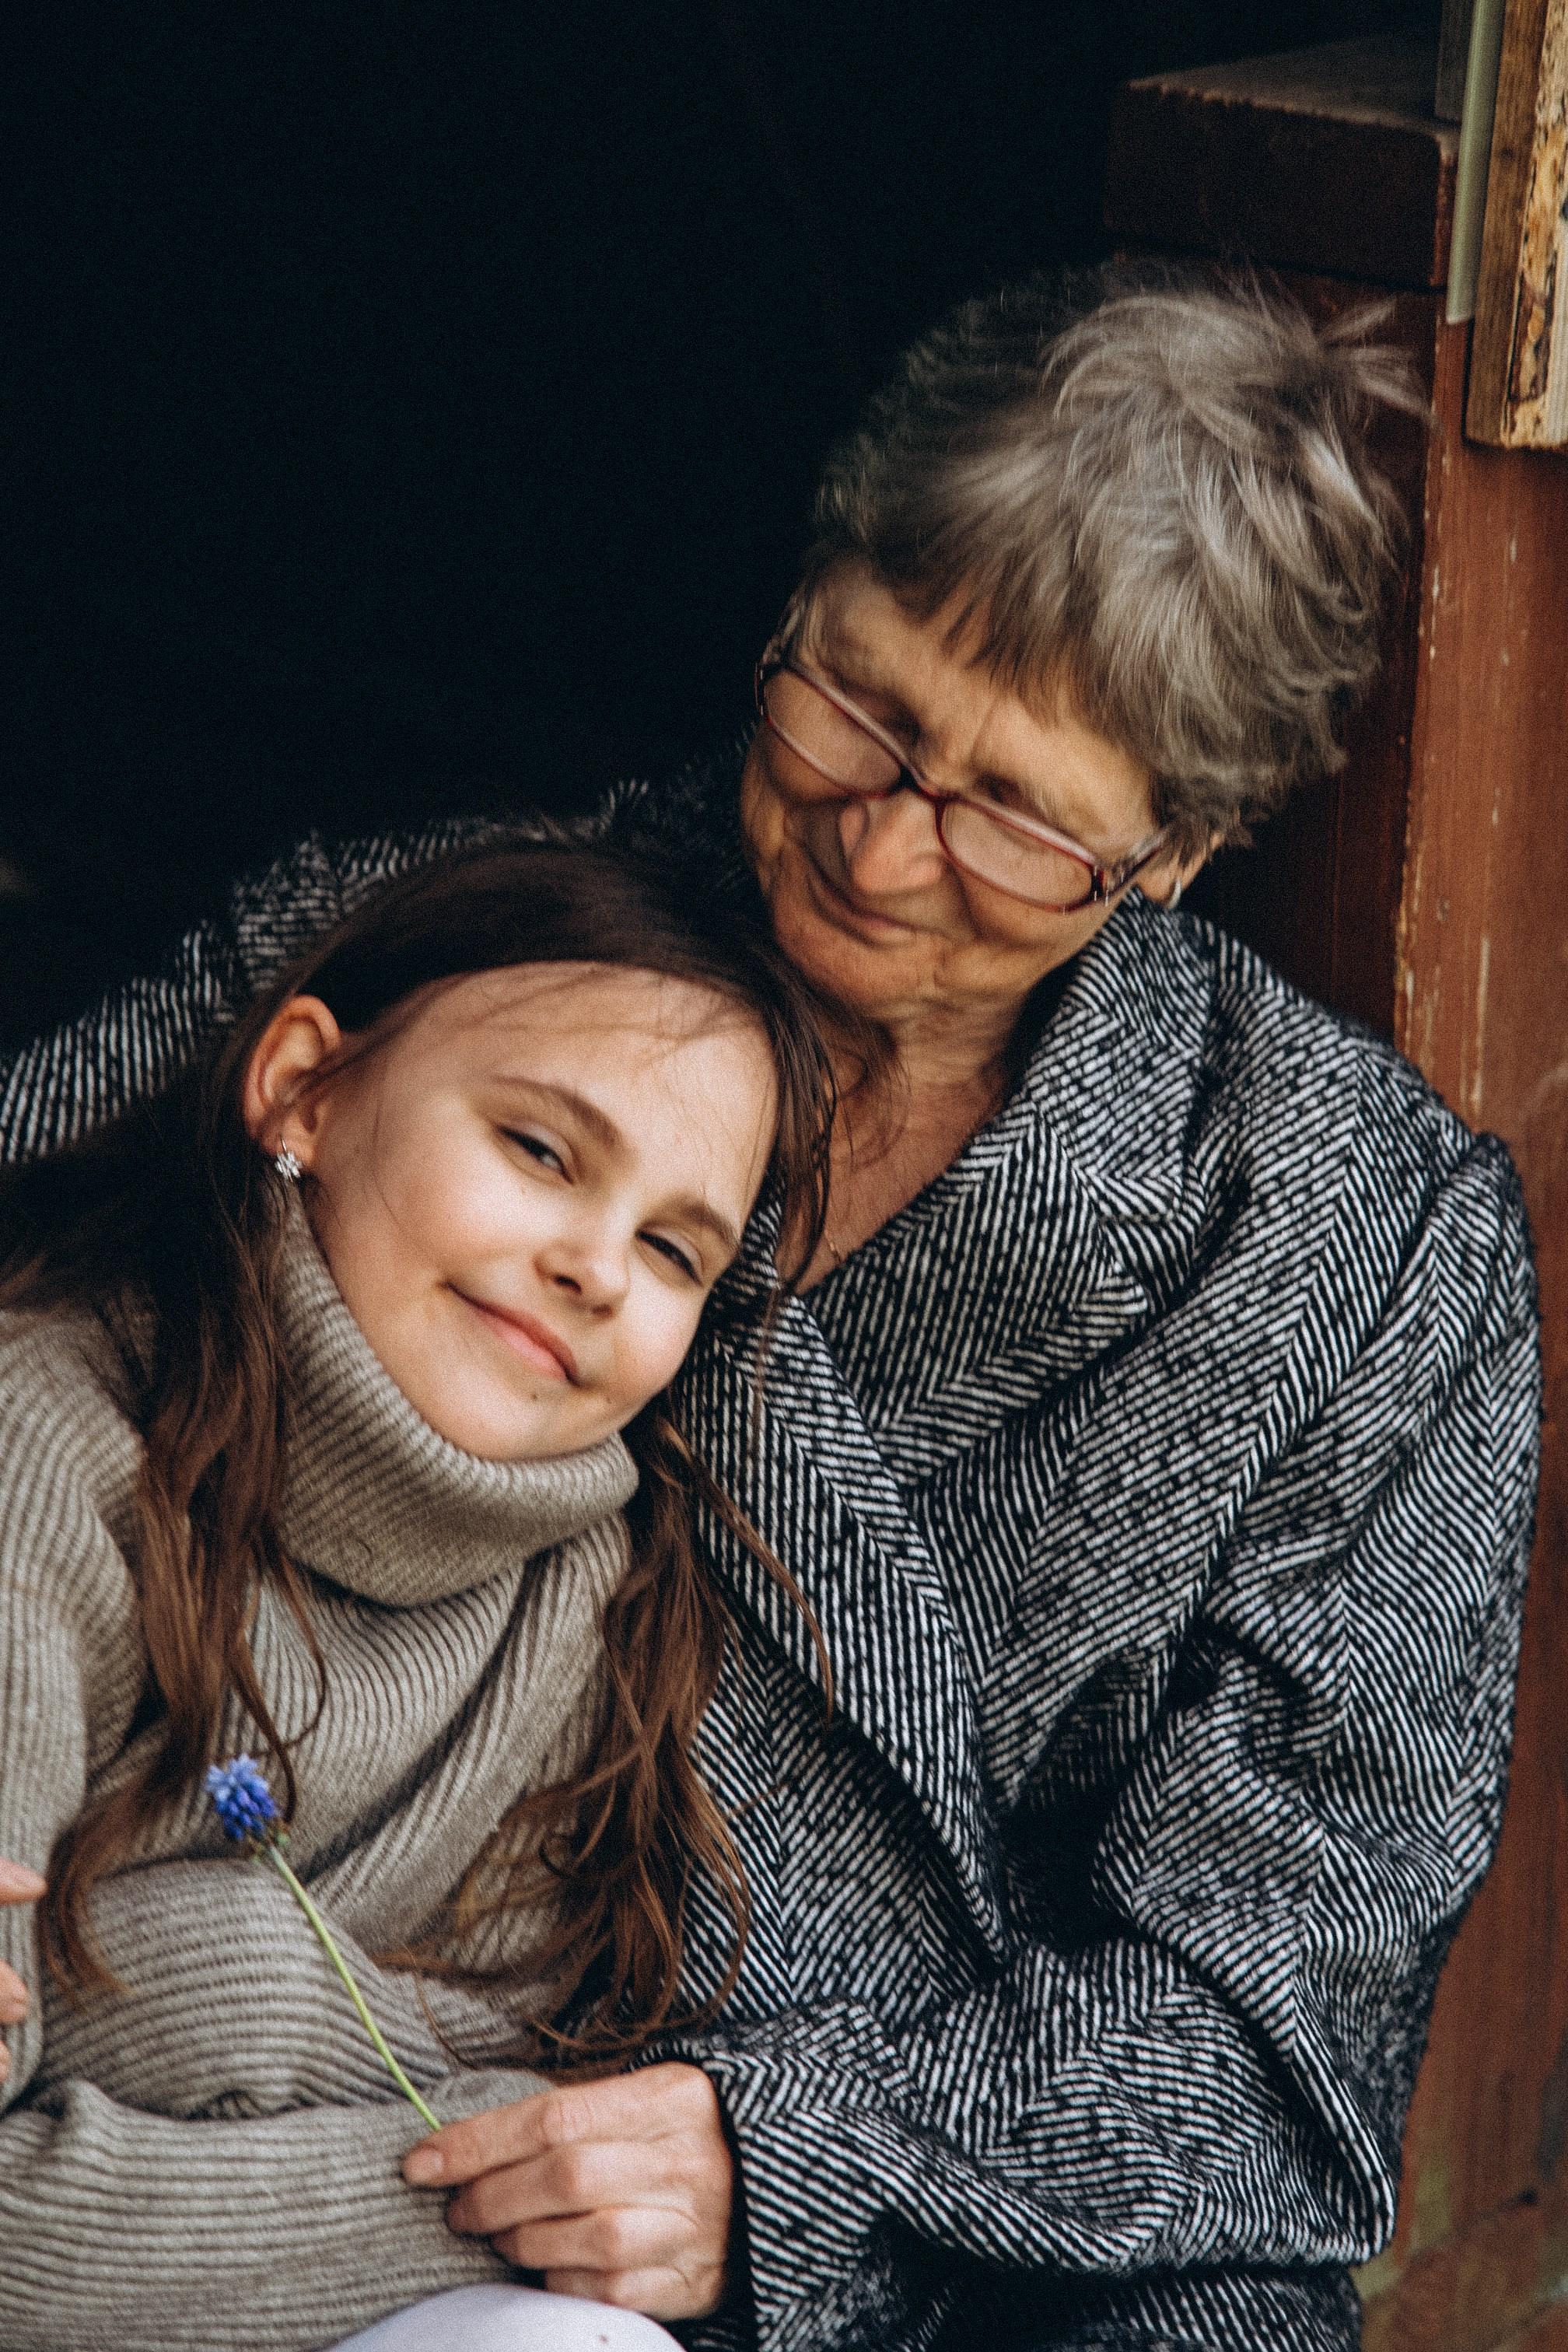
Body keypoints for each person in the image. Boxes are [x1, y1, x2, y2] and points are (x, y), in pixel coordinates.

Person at [0, 271, 1542, 2352]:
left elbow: (1279, 2021)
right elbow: (36, 1254)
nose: (881, 846)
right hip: (303, 2049)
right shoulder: (482, 938)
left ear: (1178, 848)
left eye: (1009, 818)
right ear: (810, 590)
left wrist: (791, 2155)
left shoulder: (1360, 1243)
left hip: (951, 2205)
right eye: (857, 707)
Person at [0, 842, 838, 2350]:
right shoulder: (43, 1447)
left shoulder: (596, 1609)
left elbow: (539, 2078)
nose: (595, 1264)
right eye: (539, 1148)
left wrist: (195, 1985)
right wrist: (453, 2186)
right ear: (306, 1092)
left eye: (671, 1248)